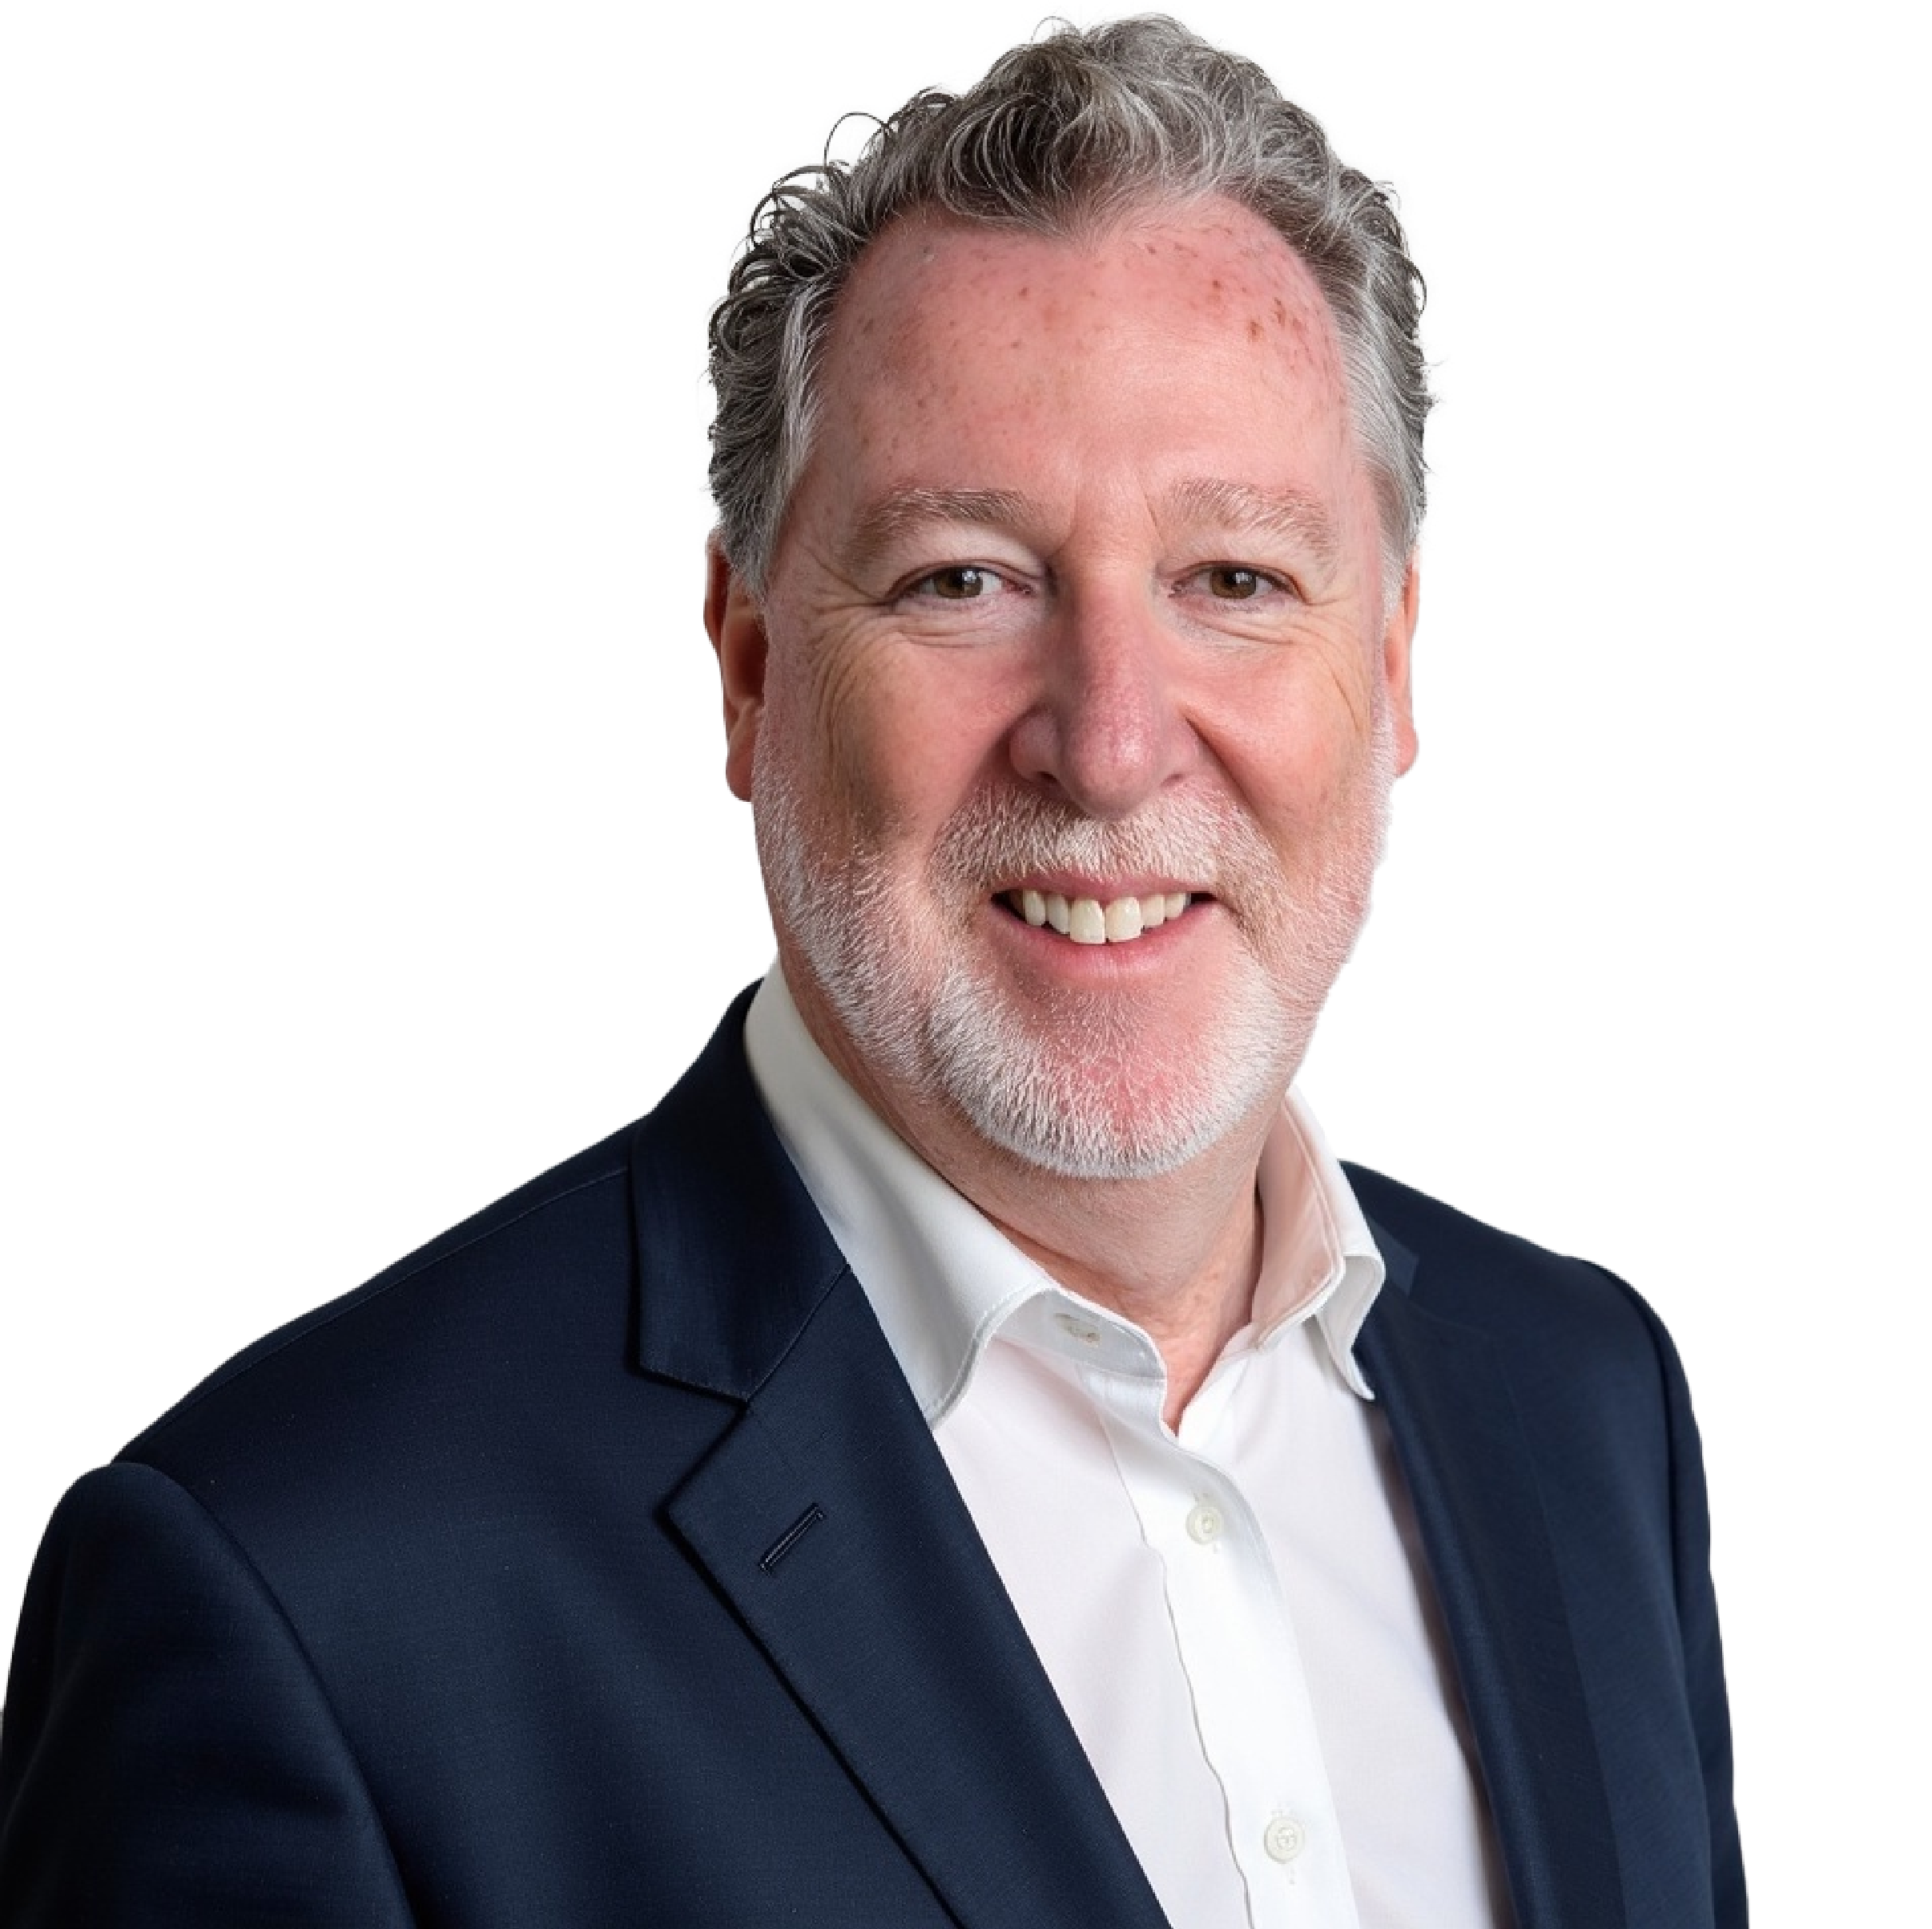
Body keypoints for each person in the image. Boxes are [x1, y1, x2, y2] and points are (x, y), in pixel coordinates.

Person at [1, 9, 1743, 1925]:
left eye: (1234, 580)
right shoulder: (303, 1588)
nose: (1109, 738)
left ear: (1394, 670)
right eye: (964, 580)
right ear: (746, 668)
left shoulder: (1581, 1400)